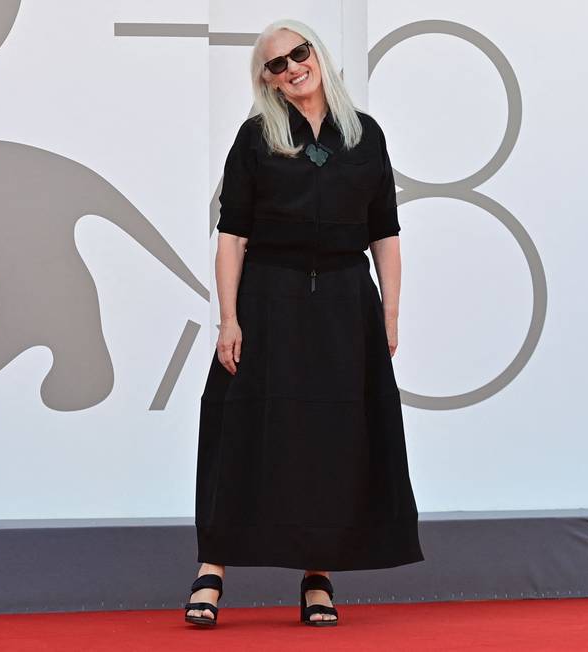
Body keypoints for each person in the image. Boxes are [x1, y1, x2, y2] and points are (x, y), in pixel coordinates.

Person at [183, 19, 425, 628]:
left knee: (332, 439)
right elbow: (232, 234)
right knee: (240, 426)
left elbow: (385, 232)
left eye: (299, 53)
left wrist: (388, 313)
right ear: (266, 80)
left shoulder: (364, 136)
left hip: (346, 302)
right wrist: (228, 319)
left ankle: (318, 576)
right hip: (269, 299)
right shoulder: (255, 138)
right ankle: (211, 570)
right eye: (275, 64)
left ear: (316, 53)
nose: (292, 67)